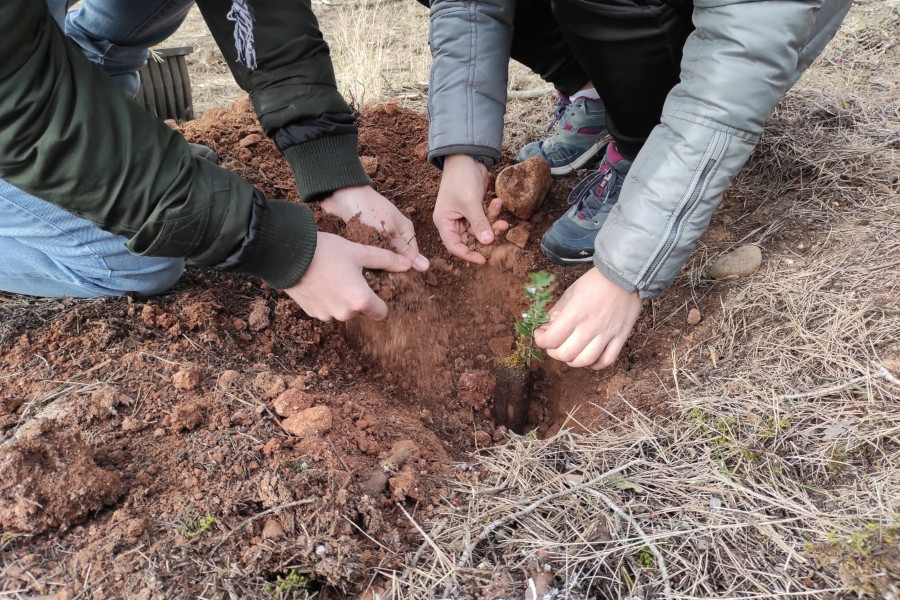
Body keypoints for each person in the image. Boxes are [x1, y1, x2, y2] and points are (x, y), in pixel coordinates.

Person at [423, 0, 852, 369]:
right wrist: (464, 153)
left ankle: (642, 143)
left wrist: (625, 271)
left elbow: (733, 76)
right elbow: (469, 7)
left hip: (746, 33)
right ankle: (594, 91)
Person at [0, 0, 430, 322]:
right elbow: (26, 110)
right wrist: (280, 248)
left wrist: (334, 170)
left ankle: (87, 76)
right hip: (13, 92)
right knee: (139, 263)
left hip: (26, 53)